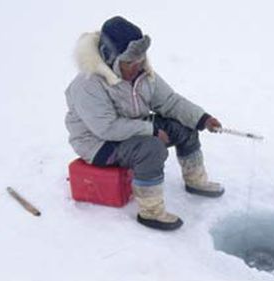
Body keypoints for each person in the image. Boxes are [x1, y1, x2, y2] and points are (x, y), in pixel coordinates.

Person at [65, 16, 224, 231]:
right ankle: (151, 212)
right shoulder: (88, 84)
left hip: (132, 127)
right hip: (98, 144)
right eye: (130, 61)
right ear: (110, 56)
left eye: (140, 59)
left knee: (183, 127)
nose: (137, 66)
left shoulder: (143, 74)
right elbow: (106, 128)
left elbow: (169, 101)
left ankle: (196, 180)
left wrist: (201, 118)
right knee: (152, 149)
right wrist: (151, 130)